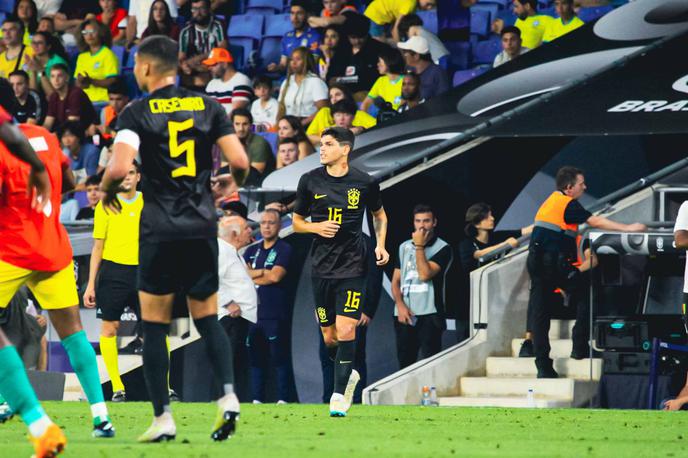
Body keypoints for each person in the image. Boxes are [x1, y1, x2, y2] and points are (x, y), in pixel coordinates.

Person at [101, 35, 249, 442]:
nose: (133, 69)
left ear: (147, 68)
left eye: (135, 63)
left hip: (160, 230)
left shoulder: (137, 111)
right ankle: (229, 399)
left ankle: (163, 419)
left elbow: (118, 167)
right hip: (202, 227)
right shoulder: (207, 105)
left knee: (153, 326)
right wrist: (227, 186)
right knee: (207, 318)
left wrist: (107, 192)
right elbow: (240, 161)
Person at [0, 88, 115, 442]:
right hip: (52, 248)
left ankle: (20, 403)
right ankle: (101, 417)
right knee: (74, 334)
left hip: (11, 251)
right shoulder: (47, 137)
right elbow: (65, 183)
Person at [293, 126, 389, 416]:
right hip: (321, 267)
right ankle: (347, 375)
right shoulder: (309, 181)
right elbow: (296, 221)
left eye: (328, 144)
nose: (321, 149)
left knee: (347, 328)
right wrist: (315, 226)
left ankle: (338, 396)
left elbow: (379, 215)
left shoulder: (364, 182)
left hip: (353, 265)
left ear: (345, 149)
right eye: (321, 144)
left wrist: (380, 245)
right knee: (329, 336)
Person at [527, 166, 646, 378]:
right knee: (588, 293)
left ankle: (543, 365)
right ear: (569, 187)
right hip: (552, 263)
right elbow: (595, 221)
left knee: (540, 313)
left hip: (538, 262)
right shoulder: (567, 203)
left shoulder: (551, 202)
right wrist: (628, 229)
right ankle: (580, 346)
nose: (585, 187)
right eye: (582, 184)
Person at [83, 162, 142, 402]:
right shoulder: (105, 205)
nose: (126, 178)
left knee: (156, 331)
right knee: (109, 329)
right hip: (113, 272)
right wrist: (90, 284)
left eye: (131, 173)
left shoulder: (149, 203)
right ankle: (118, 387)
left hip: (144, 271)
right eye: (122, 174)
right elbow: (98, 246)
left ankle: (165, 387)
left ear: (138, 177)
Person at [391, 204, 452, 369]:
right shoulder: (403, 247)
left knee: (430, 364)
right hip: (405, 314)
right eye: (418, 221)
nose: (422, 225)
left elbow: (425, 274)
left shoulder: (443, 248)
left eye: (426, 221)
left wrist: (419, 246)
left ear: (434, 223)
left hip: (430, 314)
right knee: (405, 363)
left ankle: (429, 394)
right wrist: (400, 305)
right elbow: (396, 281)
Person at [459, 202, 531, 341]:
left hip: (493, 297)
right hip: (468, 302)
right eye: (487, 217)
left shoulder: (496, 236)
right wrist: (505, 245)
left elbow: (525, 231)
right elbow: (478, 254)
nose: (492, 219)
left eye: (491, 215)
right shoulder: (466, 244)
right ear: (477, 223)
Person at [244, 209, 293, 404]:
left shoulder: (284, 249)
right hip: (253, 314)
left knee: (279, 357)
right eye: (263, 222)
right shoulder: (251, 250)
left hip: (275, 313)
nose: (266, 226)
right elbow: (242, 276)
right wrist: (264, 272)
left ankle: (283, 399)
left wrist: (255, 273)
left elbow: (276, 276)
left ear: (279, 225)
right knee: (256, 359)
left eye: (271, 222)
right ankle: (257, 399)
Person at [217, 214, 258, 402]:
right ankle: (223, 400)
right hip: (230, 317)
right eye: (246, 228)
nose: (250, 230)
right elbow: (210, 279)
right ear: (234, 233)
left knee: (238, 363)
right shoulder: (222, 251)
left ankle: (236, 401)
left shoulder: (233, 252)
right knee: (229, 362)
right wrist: (228, 302)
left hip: (239, 318)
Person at [327, 13, 391, 98]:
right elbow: (331, 76)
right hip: (343, 96)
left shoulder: (380, 49)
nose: (357, 41)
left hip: (370, 96)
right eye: (353, 37)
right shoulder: (341, 51)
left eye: (361, 37)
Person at [178, 0, 228, 90]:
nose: (198, 13)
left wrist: (199, 58)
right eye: (195, 9)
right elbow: (181, 58)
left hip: (213, 66)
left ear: (209, 9)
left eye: (202, 8)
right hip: (194, 69)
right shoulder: (186, 31)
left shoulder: (217, 25)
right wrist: (184, 65)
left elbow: (222, 49)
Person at [307, 83, 376, 145]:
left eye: (337, 95)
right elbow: (309, 136)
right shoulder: (324, 111)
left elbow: (377, 129)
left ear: (346, 96)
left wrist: (361, 129)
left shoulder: (358, 113)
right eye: (331, 97)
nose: (334, 99)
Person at [278, 47, 329, 126]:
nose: (294, 62)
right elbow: (281, 108)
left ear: (306, 61)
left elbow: (323, 110)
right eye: (292, 59)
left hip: (310, 124)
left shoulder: (315, 82)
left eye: (298, 59)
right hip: (289, 124)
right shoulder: (286, 82)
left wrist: (302, 123)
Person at [267, 0, 321, 74]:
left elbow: (313, 65)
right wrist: (276, 68)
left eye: (299, 13)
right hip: (288, 79)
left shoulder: (315, 36)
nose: (295, 18)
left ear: (307, 15)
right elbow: (283, 65)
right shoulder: (287, 37)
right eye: (292, 13)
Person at [74, 19, 121, 105]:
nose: (89, 35)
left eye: (92, 31)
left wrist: (92, 81)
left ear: (101, 33)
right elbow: (77, 83)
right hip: (84, 100)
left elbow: (113, 81)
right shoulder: (82, 57)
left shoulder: (107, 54)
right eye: (85, 32)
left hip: (103, 101)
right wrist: (81, 82)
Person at [44, 63, 99, 134]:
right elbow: (48, 123)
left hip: (85, 135)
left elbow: (72, 125)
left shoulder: (76, 94)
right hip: (66, 135)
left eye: (59, 76)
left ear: (67, 78)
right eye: (52, 76)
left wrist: (55, 135)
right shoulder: (53, 96)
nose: (56, 80)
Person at [203, 48, 252, 116]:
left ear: (224, 64)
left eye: (213, 64)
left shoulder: (241, 80)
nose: (209, 68)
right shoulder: (211, 84)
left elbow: (235, 114)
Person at [398, 35, 449, 100]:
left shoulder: (437, 72)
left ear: (416, 56)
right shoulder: (408, 69)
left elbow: (443, 98)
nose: (404, 55)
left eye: (406, 53)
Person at [231, 108, 276, 181]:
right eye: (237, 124)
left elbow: (254, 174)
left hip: (261, 184)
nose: (241, 129)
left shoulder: (260, 143)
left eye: (245, 124)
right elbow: (224, 169)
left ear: (251, 125)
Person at [363, 0, 437, 43]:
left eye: (432, 6)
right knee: (380, 45)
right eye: (428, 4)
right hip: (375, 16)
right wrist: (400, 47)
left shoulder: (412, 5)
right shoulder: (410, 5)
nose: (429, 8)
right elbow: (396, 28)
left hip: (380, 14)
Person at [25, 31, 70, 98]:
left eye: (40, 43)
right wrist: (33, 71)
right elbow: (33, 95)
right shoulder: (32, 60)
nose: (35, 46)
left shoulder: (58, 62)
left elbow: (54, 96)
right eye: (33, 43)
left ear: (48, 46)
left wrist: (40, 70)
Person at [361, 47, 404, 113]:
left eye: (380, 62)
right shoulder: (380, 81)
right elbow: (365, 103)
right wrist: (364, 119)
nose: (378, 64)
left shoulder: (405, 80)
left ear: (389, 62)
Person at [59, 121, 99, 185]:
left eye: (71, 136)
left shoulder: (91, 151)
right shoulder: (64, 154)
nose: (67, 140)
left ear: (79, 137)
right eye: (64, 136)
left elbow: (91, 180)